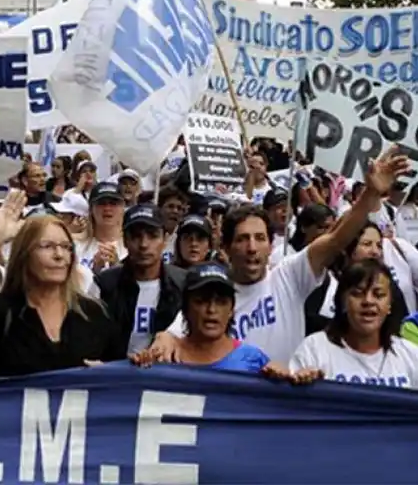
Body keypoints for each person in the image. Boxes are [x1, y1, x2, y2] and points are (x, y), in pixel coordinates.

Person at [151, 147, 412, 364]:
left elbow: (335, 239)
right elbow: (173, 336)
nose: (252, 247)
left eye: (260, 238)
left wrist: (370, 195)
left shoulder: (289, 275)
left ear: (269, 245)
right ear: (226, 247)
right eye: (242, 239)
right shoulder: (212, 297)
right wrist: (164, 337)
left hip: (283, 410)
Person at [0, 190, 125, 377]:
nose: (59, 255)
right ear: (24, 255)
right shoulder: (1, 313)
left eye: (66, 247)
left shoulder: (94, 313)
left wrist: (107, 373)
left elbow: (123, 375)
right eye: (47, 246)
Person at [134, 262, 319, 380]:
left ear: (232, 310)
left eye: (221, 302)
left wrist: (295, 381)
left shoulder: (253, 361)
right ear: (186, 309)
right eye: (201, 301)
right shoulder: (166, 357)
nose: (211, 310)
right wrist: (138, 367)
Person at [291, 259, 418, 388]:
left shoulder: (411, 356)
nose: (368, 301)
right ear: (343, 301)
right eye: (357, 294)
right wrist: (301, 383)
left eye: (378, 295)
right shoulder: (314, 350)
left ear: (390, 304)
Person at [95, 204, 185, 354]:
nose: (144, 244)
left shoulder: (183, 284)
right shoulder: (104, 284)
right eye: (136, 236)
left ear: (165, 239)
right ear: (125, 241)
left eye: (152, 236)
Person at [75, 182, 126, 274]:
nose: (107, 208)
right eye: (101, 203)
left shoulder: (131, 246)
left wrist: (118, 270)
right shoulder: (75, 246)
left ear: (123, 208)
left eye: (113, 203)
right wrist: (94, 272)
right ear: (91, 209)